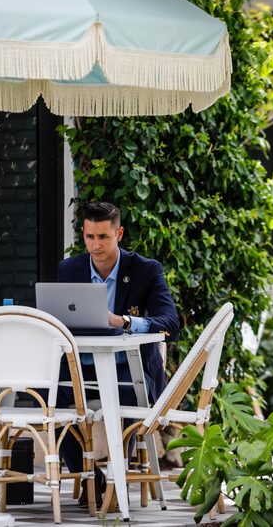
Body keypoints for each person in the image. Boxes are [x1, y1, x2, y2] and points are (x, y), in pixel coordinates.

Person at [56, 201, 180, 504]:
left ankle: (114, 479)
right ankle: (89, 476)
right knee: (47, 394)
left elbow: (171, 324)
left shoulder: (145, 270)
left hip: (129, 368)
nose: (95, 245)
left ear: (119, 234)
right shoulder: (69, 269)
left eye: (103, 237)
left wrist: (124, 321)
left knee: (123, 397)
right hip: (81, 366)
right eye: (89, 237)